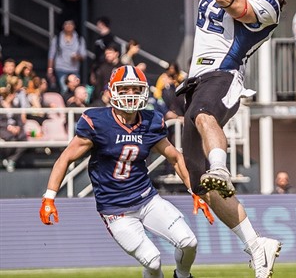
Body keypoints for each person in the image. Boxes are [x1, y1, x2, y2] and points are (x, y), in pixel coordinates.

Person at [173, 0, 290, 278]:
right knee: (201, 185)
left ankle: (222, 167)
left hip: (224, 74)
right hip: (195, 82)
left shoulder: (268, 2)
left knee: (207, 118)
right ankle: (257, 246)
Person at [39, 65, 210, 278]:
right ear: (112, 91)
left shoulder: (151, 121)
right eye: (125, 89)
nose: (130, 95)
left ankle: (183, 276)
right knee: (153, 261)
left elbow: (175, 157)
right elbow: (65, 158)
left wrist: (195, 190)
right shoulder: (98, 122)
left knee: (189, 242)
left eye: (135, 89)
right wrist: (49, 197)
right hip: (116, 210)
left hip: (147, 200)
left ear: (144, 91)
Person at [47, 20, 86, 93]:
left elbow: (83, 55)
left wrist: (77, 57)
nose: (68, 26)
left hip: (74, 69)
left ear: (74, 26)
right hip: (61, 68)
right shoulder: (57, 38)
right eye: (66, 24)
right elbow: (51, 54)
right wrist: (50, 69)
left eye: (70, 24)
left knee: (76, 89)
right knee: (65, 89)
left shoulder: (79, 39)